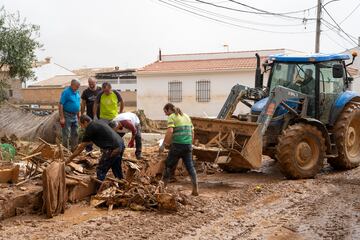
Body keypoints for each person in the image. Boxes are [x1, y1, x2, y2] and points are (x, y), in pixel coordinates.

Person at [67, 115, 125, 182]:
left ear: (85, 122)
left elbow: (80, 149)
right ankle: (122, 183)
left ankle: (99, 188)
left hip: (112, 149)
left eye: (81, 125)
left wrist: (69, 159)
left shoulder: (90, 128)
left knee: (100, 169)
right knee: (116, 167)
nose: (81, 127)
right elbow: (96, 139)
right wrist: (82, 144)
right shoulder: (98, 122)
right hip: (120, 144)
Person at [159, 103, 198, 196]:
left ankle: (162, 188)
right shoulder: (186, 116)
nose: (165, 114)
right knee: (190, 167)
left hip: (177, 145)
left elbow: (170, 131)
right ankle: (195, 189)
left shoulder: (172, 117)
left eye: (165, 112)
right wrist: (190, 144)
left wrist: (163, 145)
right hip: (188, 145)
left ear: (169, 110)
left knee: (168, 165)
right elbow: (192, 132)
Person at [59, 79, 81, 151]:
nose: (78, 87)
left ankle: (74, 150)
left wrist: (78, 116)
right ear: (72, 85)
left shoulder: (77, 92)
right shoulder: (66, 92)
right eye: (77, 86)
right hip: (67, 114)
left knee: (76, 133)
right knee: (66, 134)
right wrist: (62, 118)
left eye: (78, 86)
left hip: (75, 115)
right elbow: (61, 104)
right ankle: (65, 150)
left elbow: (78, 105)